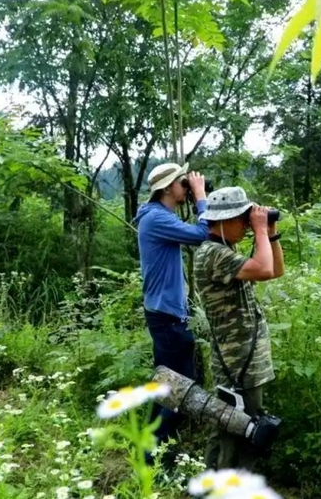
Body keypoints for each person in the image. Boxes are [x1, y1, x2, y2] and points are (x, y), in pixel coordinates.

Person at [193, 186, 285, 471]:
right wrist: (260, 230)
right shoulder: (213, 253)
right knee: (240, 430)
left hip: (243, 359)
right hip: (236, 362)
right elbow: (264, 269)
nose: (246, 225)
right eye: (242, 219)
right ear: (224, 221)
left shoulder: (223, 249)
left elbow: (276, 270)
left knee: (234, 426)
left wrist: (270, 233)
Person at [134, 161, 209, 462]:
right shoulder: (156, 218)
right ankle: (156, 457)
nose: (187, 187)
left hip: (165, 314)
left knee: (165, 387)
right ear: (167, 189)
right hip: (167, 318)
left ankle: (148, 453)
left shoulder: (158, 216)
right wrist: (201, 197)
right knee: (182, 390)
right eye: (183, 182)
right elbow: (203, 233)